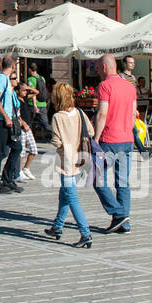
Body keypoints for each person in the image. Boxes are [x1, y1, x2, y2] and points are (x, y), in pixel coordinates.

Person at [44, 81, 92, 249]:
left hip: (66, 163)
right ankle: (57, 226)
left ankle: (85, 233)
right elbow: (91, 132)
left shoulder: (58, 117)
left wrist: (59, 142)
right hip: (80, 161)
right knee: (64, 195)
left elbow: (56, 141)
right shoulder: (80, 112)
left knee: (72, 199)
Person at [93, 55, 137, 234]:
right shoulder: (129, 86)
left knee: (97, 178)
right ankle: (124, 224)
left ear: (104, 67)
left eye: (97, 67)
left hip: (110, 139)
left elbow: (102, 114)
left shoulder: (104, 86)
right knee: (123, 183)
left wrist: (95, 138)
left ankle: (118, 214)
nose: (96, 70)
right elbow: (134, 114)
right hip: (127, 138)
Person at [0, 57, 22, 193]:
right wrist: (6, 117)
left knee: (17, 148)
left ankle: (7, 179)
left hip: (7, 120)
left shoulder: (6, 79)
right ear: (13, 66)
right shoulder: (1, 78)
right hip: (0, 120)